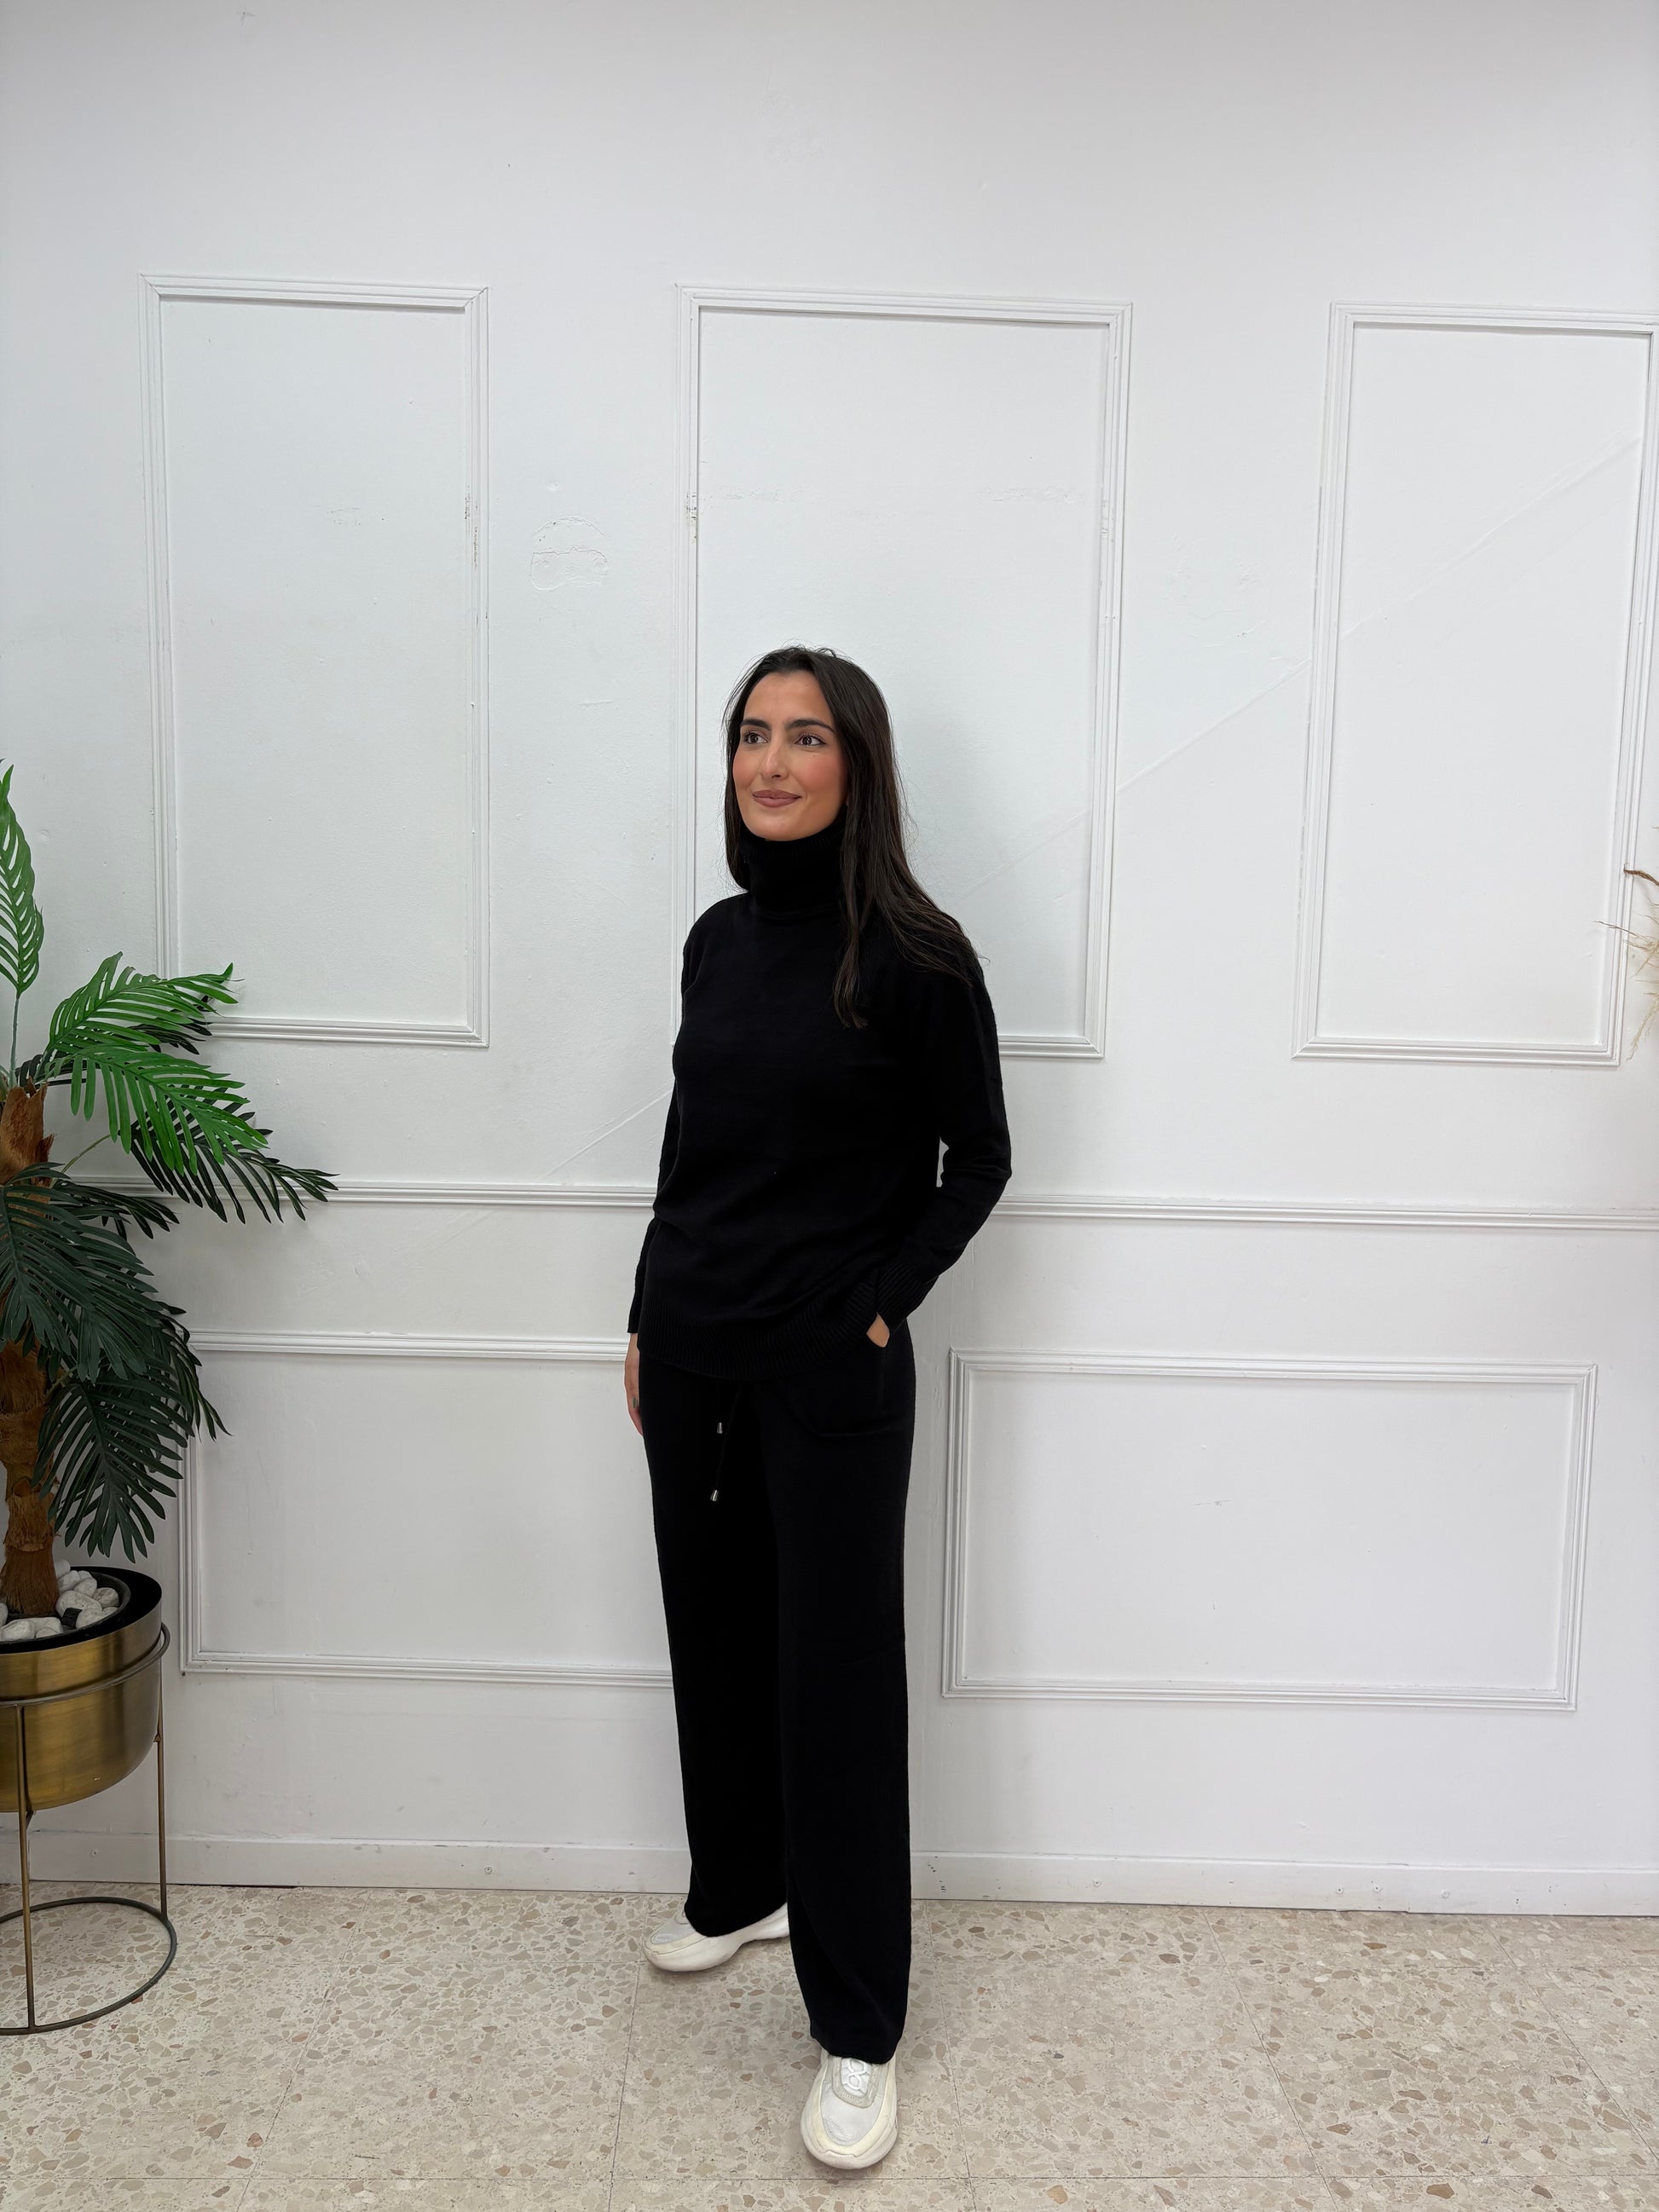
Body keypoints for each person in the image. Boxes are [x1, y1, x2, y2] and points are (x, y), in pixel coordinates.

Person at [623, 643, 1012, 2170]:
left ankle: (857, 2029)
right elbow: (688, 1148)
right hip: (693, 1346)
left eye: (802, 737)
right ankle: (740, 1888)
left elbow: (976, 1161)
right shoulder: (715, 941)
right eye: (749, 735)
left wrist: (879, 1300)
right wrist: (645, 1314)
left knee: (834, 1685)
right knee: (713, 1635)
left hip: (828, 1365)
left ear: (857, 763)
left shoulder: (916, 955)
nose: (769, 764)